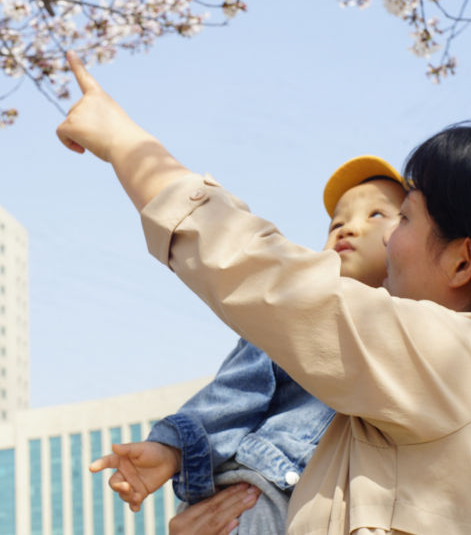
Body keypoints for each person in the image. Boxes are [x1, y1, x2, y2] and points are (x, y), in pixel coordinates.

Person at [56, 52, 471, 534]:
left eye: (403, 220)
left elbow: (266, 277)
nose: (387, 239)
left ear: (462, 259)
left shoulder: (465, 361)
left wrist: (124, 144)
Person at [89, 156, 406, 535]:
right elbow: (234, 393)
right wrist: (172, 449)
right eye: (336, 222)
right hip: (261, 496)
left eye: (376, 216)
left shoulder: (426, 341)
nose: (347, 229)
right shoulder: (299, 315)